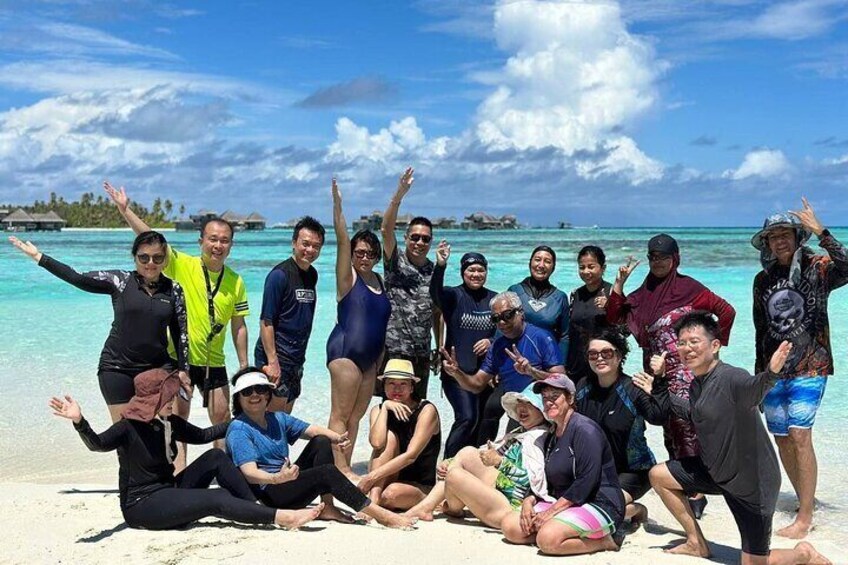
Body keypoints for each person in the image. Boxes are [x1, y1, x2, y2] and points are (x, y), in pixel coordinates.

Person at [649, 311, 832, 565]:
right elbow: (689, 412)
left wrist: (771, 374)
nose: (686, 348)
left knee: (753, 564)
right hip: (716, 473)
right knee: (658, 475)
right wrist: (659, 383)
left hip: (751, 485)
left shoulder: (731, 376)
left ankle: (803, 553)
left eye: (694, 341)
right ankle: (696, 543)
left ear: (715, 346)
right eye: (681, 342)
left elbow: (754, 390)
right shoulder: (696, 384)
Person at [49, 368, 322, 530]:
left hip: (171, 489)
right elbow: (96, 444)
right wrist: (79, 421)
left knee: (216, 456)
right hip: (143, 505)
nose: (174, 400)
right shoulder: (128, 428)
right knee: (213, 500)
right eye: (169, 396)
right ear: (154, 399)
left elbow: (204, 435)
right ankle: (279, 517)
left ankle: (252, 508)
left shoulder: (168, 421)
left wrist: (242, 421)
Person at [105, 182, 249, 470]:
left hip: (215, 361)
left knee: (222, 419)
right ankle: (179, 471)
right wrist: (125, 210)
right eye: (212, 239)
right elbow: (149, 239)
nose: (217, 245)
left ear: (230, 245)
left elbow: (239, 325)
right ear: (201, 242)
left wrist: (244, 365)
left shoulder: (236, 281)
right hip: (179, 360)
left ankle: (223, 469)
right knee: (177, 419)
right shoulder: (182, 265)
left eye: (224, 241)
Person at [606, 233, 736, 517]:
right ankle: (683, 486)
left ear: (675, 259)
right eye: (653, 257)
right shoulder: (642, 295)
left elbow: (726, 312)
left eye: (663, 257)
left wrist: (711, 352)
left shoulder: (690, 289)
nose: (658, 262)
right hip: (658, 374)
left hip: (689, 374)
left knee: (688, 428)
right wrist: (619, 283)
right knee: (668, 427)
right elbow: (614, 317)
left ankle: (698, 491)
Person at [10, 233, 189, 423]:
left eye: (157, 258)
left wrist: (183, 369)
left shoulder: (174, 290)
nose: (150, 263)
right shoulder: (119, 280)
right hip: (117, 368)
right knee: (127, 434)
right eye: (143, 257)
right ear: (134, 257)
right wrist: (39, 257)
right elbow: (77, 277)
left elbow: (181, 334)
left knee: (162, 431)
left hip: (155, 369)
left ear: (165, 260)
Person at [752, 199, 848, 539]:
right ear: (766, 243)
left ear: (797, 236)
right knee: (782, 440)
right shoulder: (762, 280)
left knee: (800, 435)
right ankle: (806, 500)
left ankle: (805, 517)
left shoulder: (818, 268)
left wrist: (822, 231)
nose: (779, 241)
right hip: (776, 370)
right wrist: (759, 381)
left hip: (811, 363)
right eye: (773, 236)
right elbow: (761, 332)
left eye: (785, 234)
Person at [225, 368, 416, 528]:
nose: (255, 395)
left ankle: (328, 506)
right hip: (270, 493)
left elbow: (311, 430)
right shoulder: (239, 429)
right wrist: (277, 478)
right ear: (238, 398)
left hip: (287, 481)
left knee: (322, 440)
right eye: (247, 392)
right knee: (326, 472)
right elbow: (249, 473)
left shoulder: (276, 418)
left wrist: (337, 438)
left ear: (268, 393)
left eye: (260, 389)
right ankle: (382, 516)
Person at [501, 374, 624, 556]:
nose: (549, 402)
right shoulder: (552, 434)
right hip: (563, 501)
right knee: (511, 528)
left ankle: (606, 541)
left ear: (570, 398)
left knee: (548, 541)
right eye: (545, 398)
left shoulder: (585, 430)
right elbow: (545, 478)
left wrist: (550, 512)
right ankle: (562, 530)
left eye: (555, 396)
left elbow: (586, 481)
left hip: (599, 502)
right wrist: (529, 501)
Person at [403, 383, 554, 526]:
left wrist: (500, 462)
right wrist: (450, 461)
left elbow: (533, 481)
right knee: (466, 453)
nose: (522, 408)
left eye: (529, 405)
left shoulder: (539, 438)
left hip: (511, 504)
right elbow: (484, 453)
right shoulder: (521, 433)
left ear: (541, 411)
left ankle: (443, 506)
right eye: (520, 403)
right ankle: (440, 507)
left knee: (455, 474)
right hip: (499, 489)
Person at [326, 177, 391, 478]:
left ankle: (345, 466)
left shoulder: (379, 281)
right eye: (359, 252)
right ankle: (336, 468)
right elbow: (341, 238)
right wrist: (338, 208)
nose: (364, 257)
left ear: (377, 257)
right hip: (345, 353)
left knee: (357, 415)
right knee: (340, 415)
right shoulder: (347, 278)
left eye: (370, 253)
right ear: (352, 254)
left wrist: (379, 360)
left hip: (370, 359)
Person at [441, 291, 564, 443]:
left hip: (543, 411)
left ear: (521, 313)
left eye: (507, 315)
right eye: (496, 318)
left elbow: (561, 380)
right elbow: (477, 384)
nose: (502, 323)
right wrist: (456, 373)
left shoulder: (541, 338)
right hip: (518, 409)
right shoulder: (497, 346)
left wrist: (531, 371)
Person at [575, 326, 665, 529]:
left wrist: (658, 386)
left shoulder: (633, 388)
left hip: (632, 471)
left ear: (619, 356)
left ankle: (638, 510)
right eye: (593, 354)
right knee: (576, 505)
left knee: (599, 510)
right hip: (595, 470)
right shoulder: (583, 387)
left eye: (607, 353)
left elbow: (658, 418)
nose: (600, 358)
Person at [430, 239, 497, 457]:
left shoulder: (494, 299)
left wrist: (492, 341)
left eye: (480, 270)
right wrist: (440, 266)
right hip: (455, 371)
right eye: (471, 270)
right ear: (463, 273)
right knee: (467, 417)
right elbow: (435, 293)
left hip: (485, 374)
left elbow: (506, 328)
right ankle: (447, 466)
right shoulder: (453, 296)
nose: (476, 274)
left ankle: (472, 465)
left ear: (486, 272)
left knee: (482, 422)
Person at [255, 216, 325, 413]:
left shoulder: (312, 274)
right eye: (305, 244)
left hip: (296, 358)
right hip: (277, 357)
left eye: (316, 246)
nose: (310, 250)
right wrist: (272, 362)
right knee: (270, 420)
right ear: (294, 243)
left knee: (285, 418)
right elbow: (266, 321)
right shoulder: (279, 276)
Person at [380, 167, 439, 399]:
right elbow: (385, 230)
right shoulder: (395, 261)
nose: (419, 242)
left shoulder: (434, 271)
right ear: (406, 239)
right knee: (392, 411)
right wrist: (399, 195)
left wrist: (439, 346)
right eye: (414, 237)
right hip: (395, 352)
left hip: (422, 353)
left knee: (417, 412)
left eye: (425, 238)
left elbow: (436, 311)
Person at [359, 359, 441, 511]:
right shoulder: (378, 409)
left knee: (390, 496)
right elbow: (376, 443)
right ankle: (374, 502)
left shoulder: (426, 410)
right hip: (387, 477)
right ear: (383, 386)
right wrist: (385, 408)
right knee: (388, 437)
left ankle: (430, 499)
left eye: (403, 384)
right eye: (391, 383)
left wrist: (371, 477)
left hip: (419, 483)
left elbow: (411, 455)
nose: (397, 389)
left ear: (411, 387)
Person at [508, 245, 570, 360]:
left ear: (553, 268)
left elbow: (565, 336)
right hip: (514, 361)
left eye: (547, 261)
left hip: (546, 363)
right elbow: (502, 328)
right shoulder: (514, 291)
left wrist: (560, 366)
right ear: (530, 263)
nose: (541, 265)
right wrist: (494, 365)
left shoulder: (560, 297)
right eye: (537, 260)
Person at [567, 245, 614, 381]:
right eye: (582, 267)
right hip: (575, 365)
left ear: (602, 268)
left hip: (602, 364)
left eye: (591, 266)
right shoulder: (575, 294)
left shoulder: (612, 293)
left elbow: (625, 330)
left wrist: (610, 307)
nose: (586, 271)